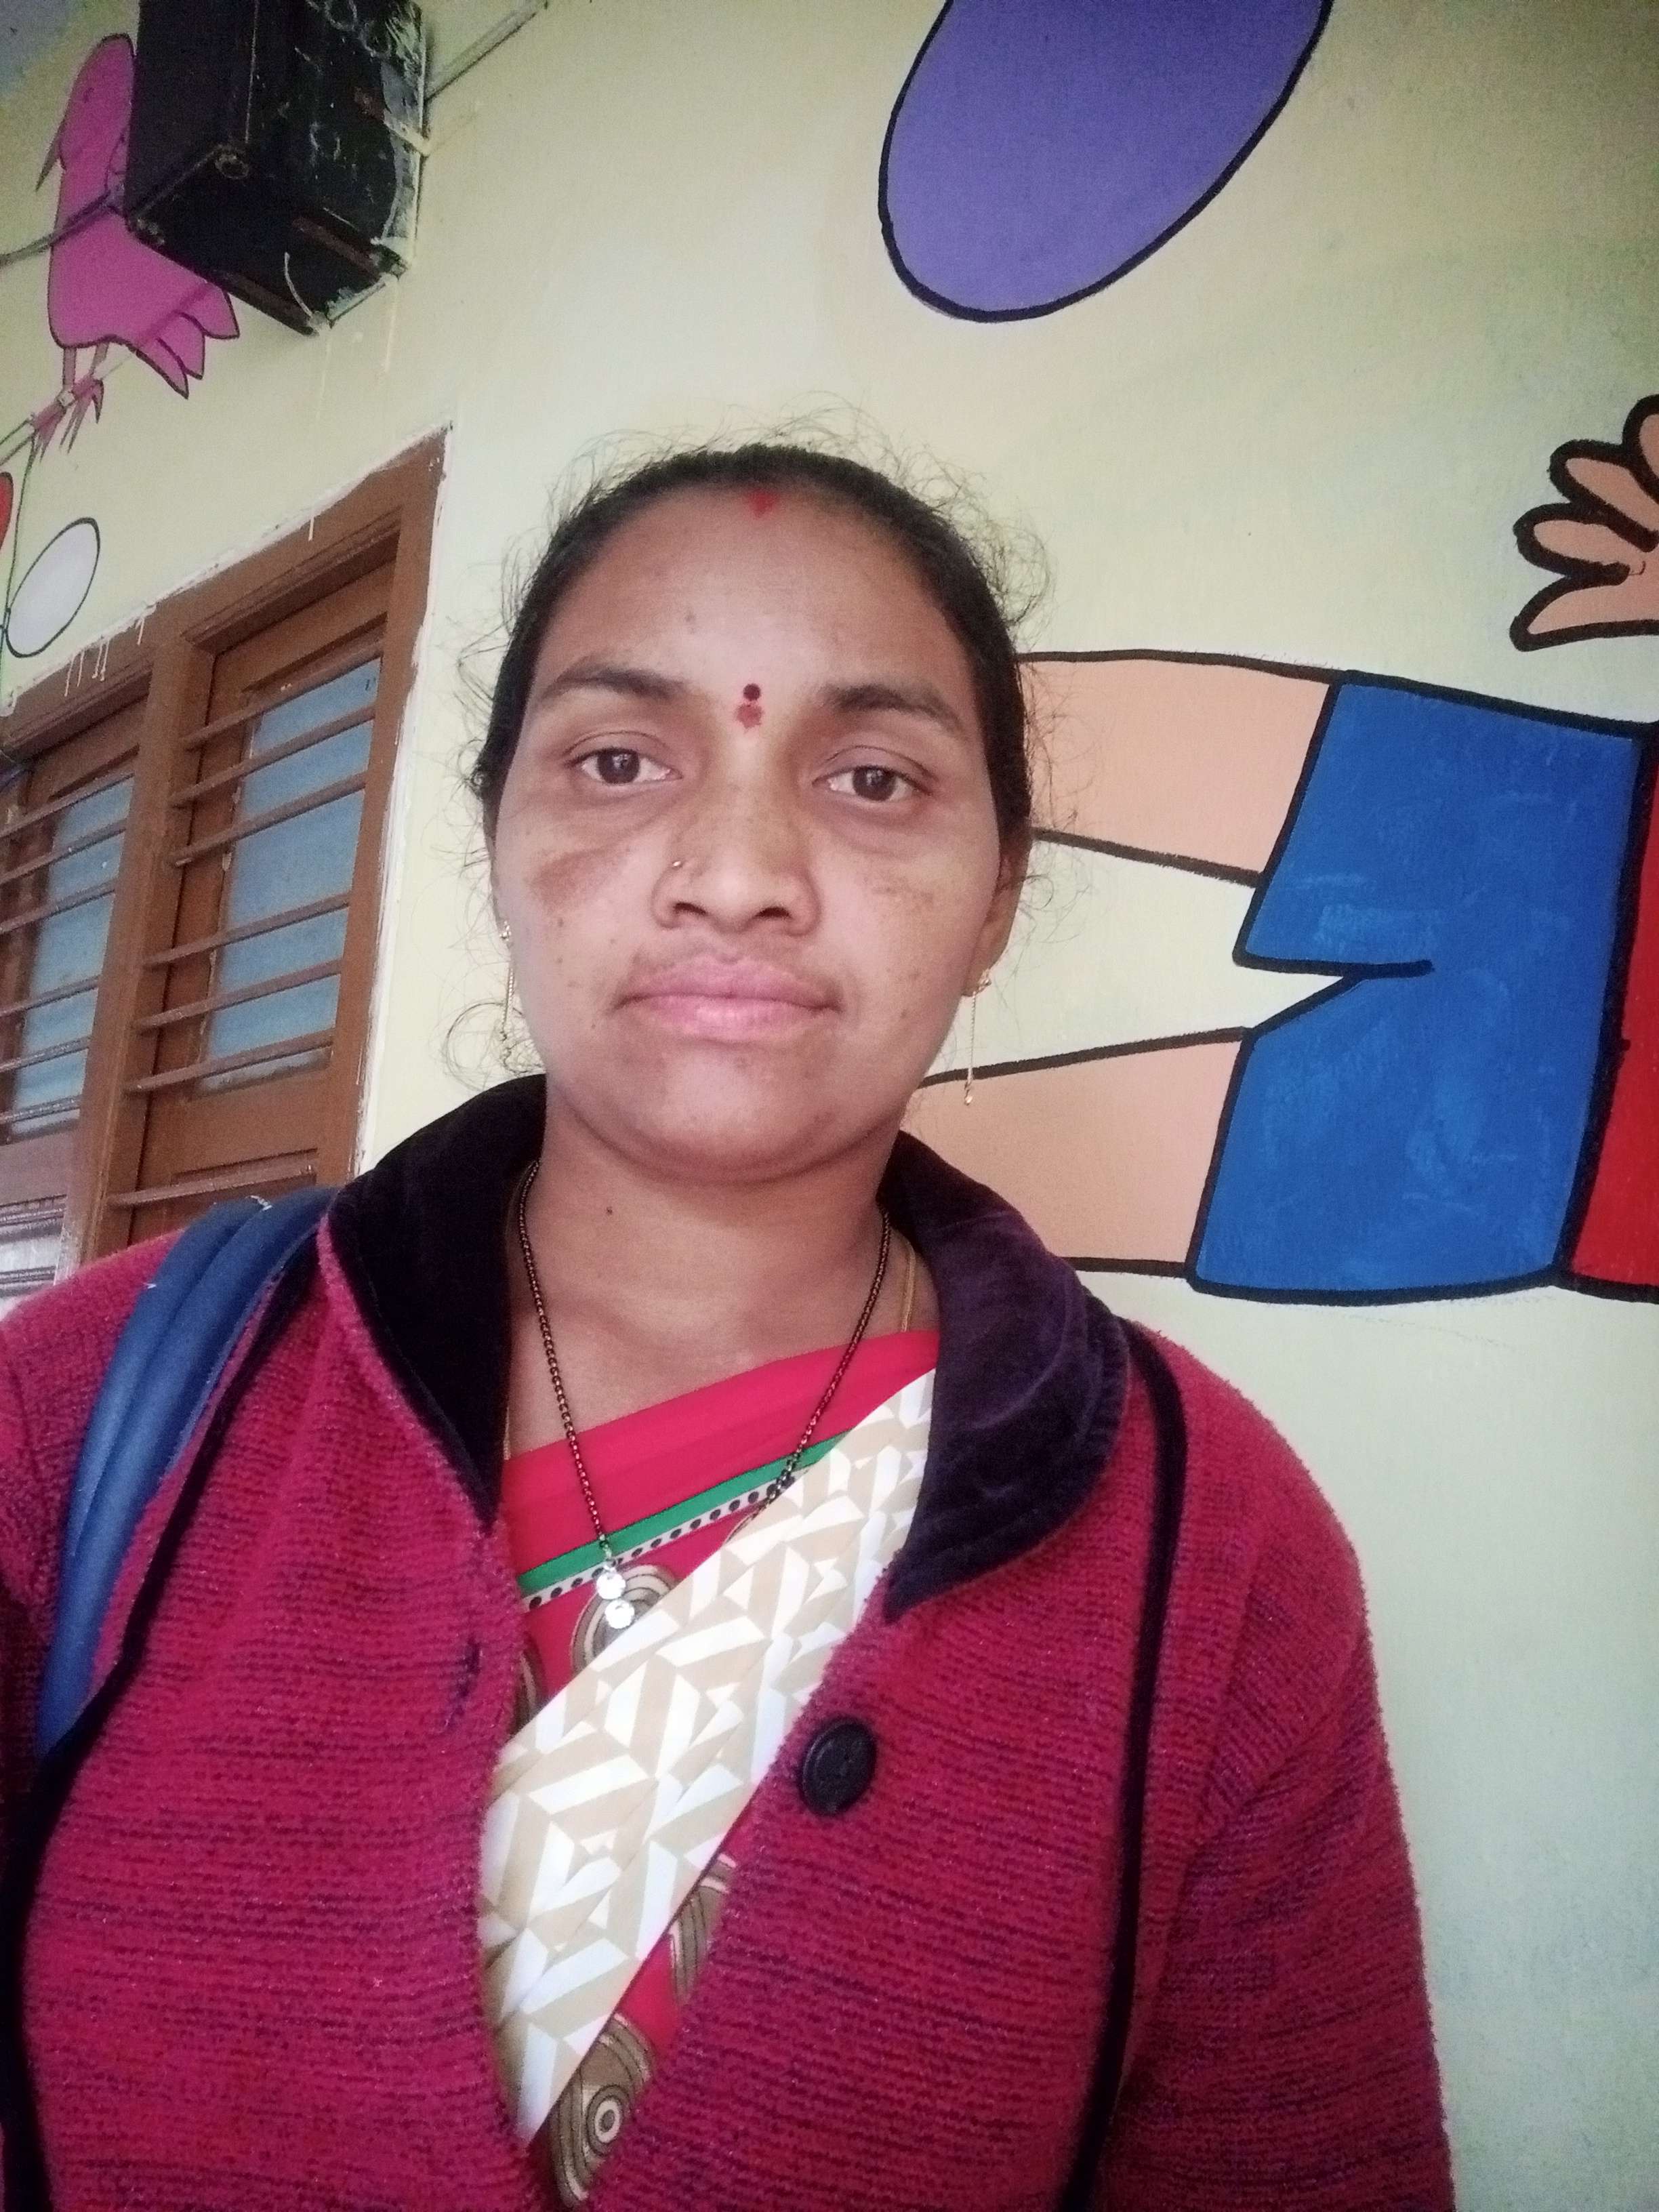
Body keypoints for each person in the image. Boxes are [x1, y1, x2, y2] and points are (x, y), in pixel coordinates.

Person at [0, 441, 1454, 2211]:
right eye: (621, 760)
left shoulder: (1214, 1551)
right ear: (497, 837)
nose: (739, 871)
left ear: (997, 899)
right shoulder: (96, 1406)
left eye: (871, 777)